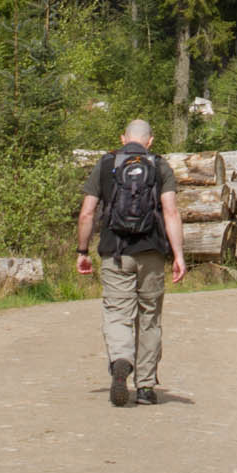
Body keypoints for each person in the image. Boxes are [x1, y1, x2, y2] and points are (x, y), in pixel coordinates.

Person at [75, 119, 187, 407]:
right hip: (151, 253)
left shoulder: (106, 164)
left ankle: (121, 359)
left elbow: (87, 213)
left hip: (115, 252)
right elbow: (171, 212)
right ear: (150, 141)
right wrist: (178, 256)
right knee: (149, 318)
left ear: (123, 138)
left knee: (117, 312)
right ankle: (147, 387)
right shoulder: (159, 166)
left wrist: (83, 250)